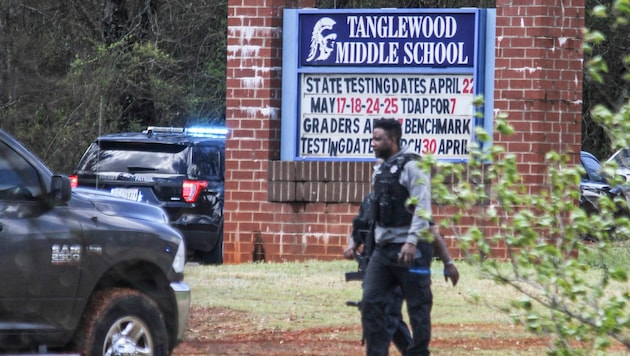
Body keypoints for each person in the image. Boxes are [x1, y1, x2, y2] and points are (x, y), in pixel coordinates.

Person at [360, 118, 458, 356]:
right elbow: (374, 210)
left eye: (377, 139)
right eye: (372, 138)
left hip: (412, 250)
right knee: (370, 304)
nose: (372, 143)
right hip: (384, 250)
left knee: (419, 309)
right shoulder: (381, 169)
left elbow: (423, 209)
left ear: (392, 140)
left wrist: (412, 242)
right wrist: (359, 242)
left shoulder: (413, 167)